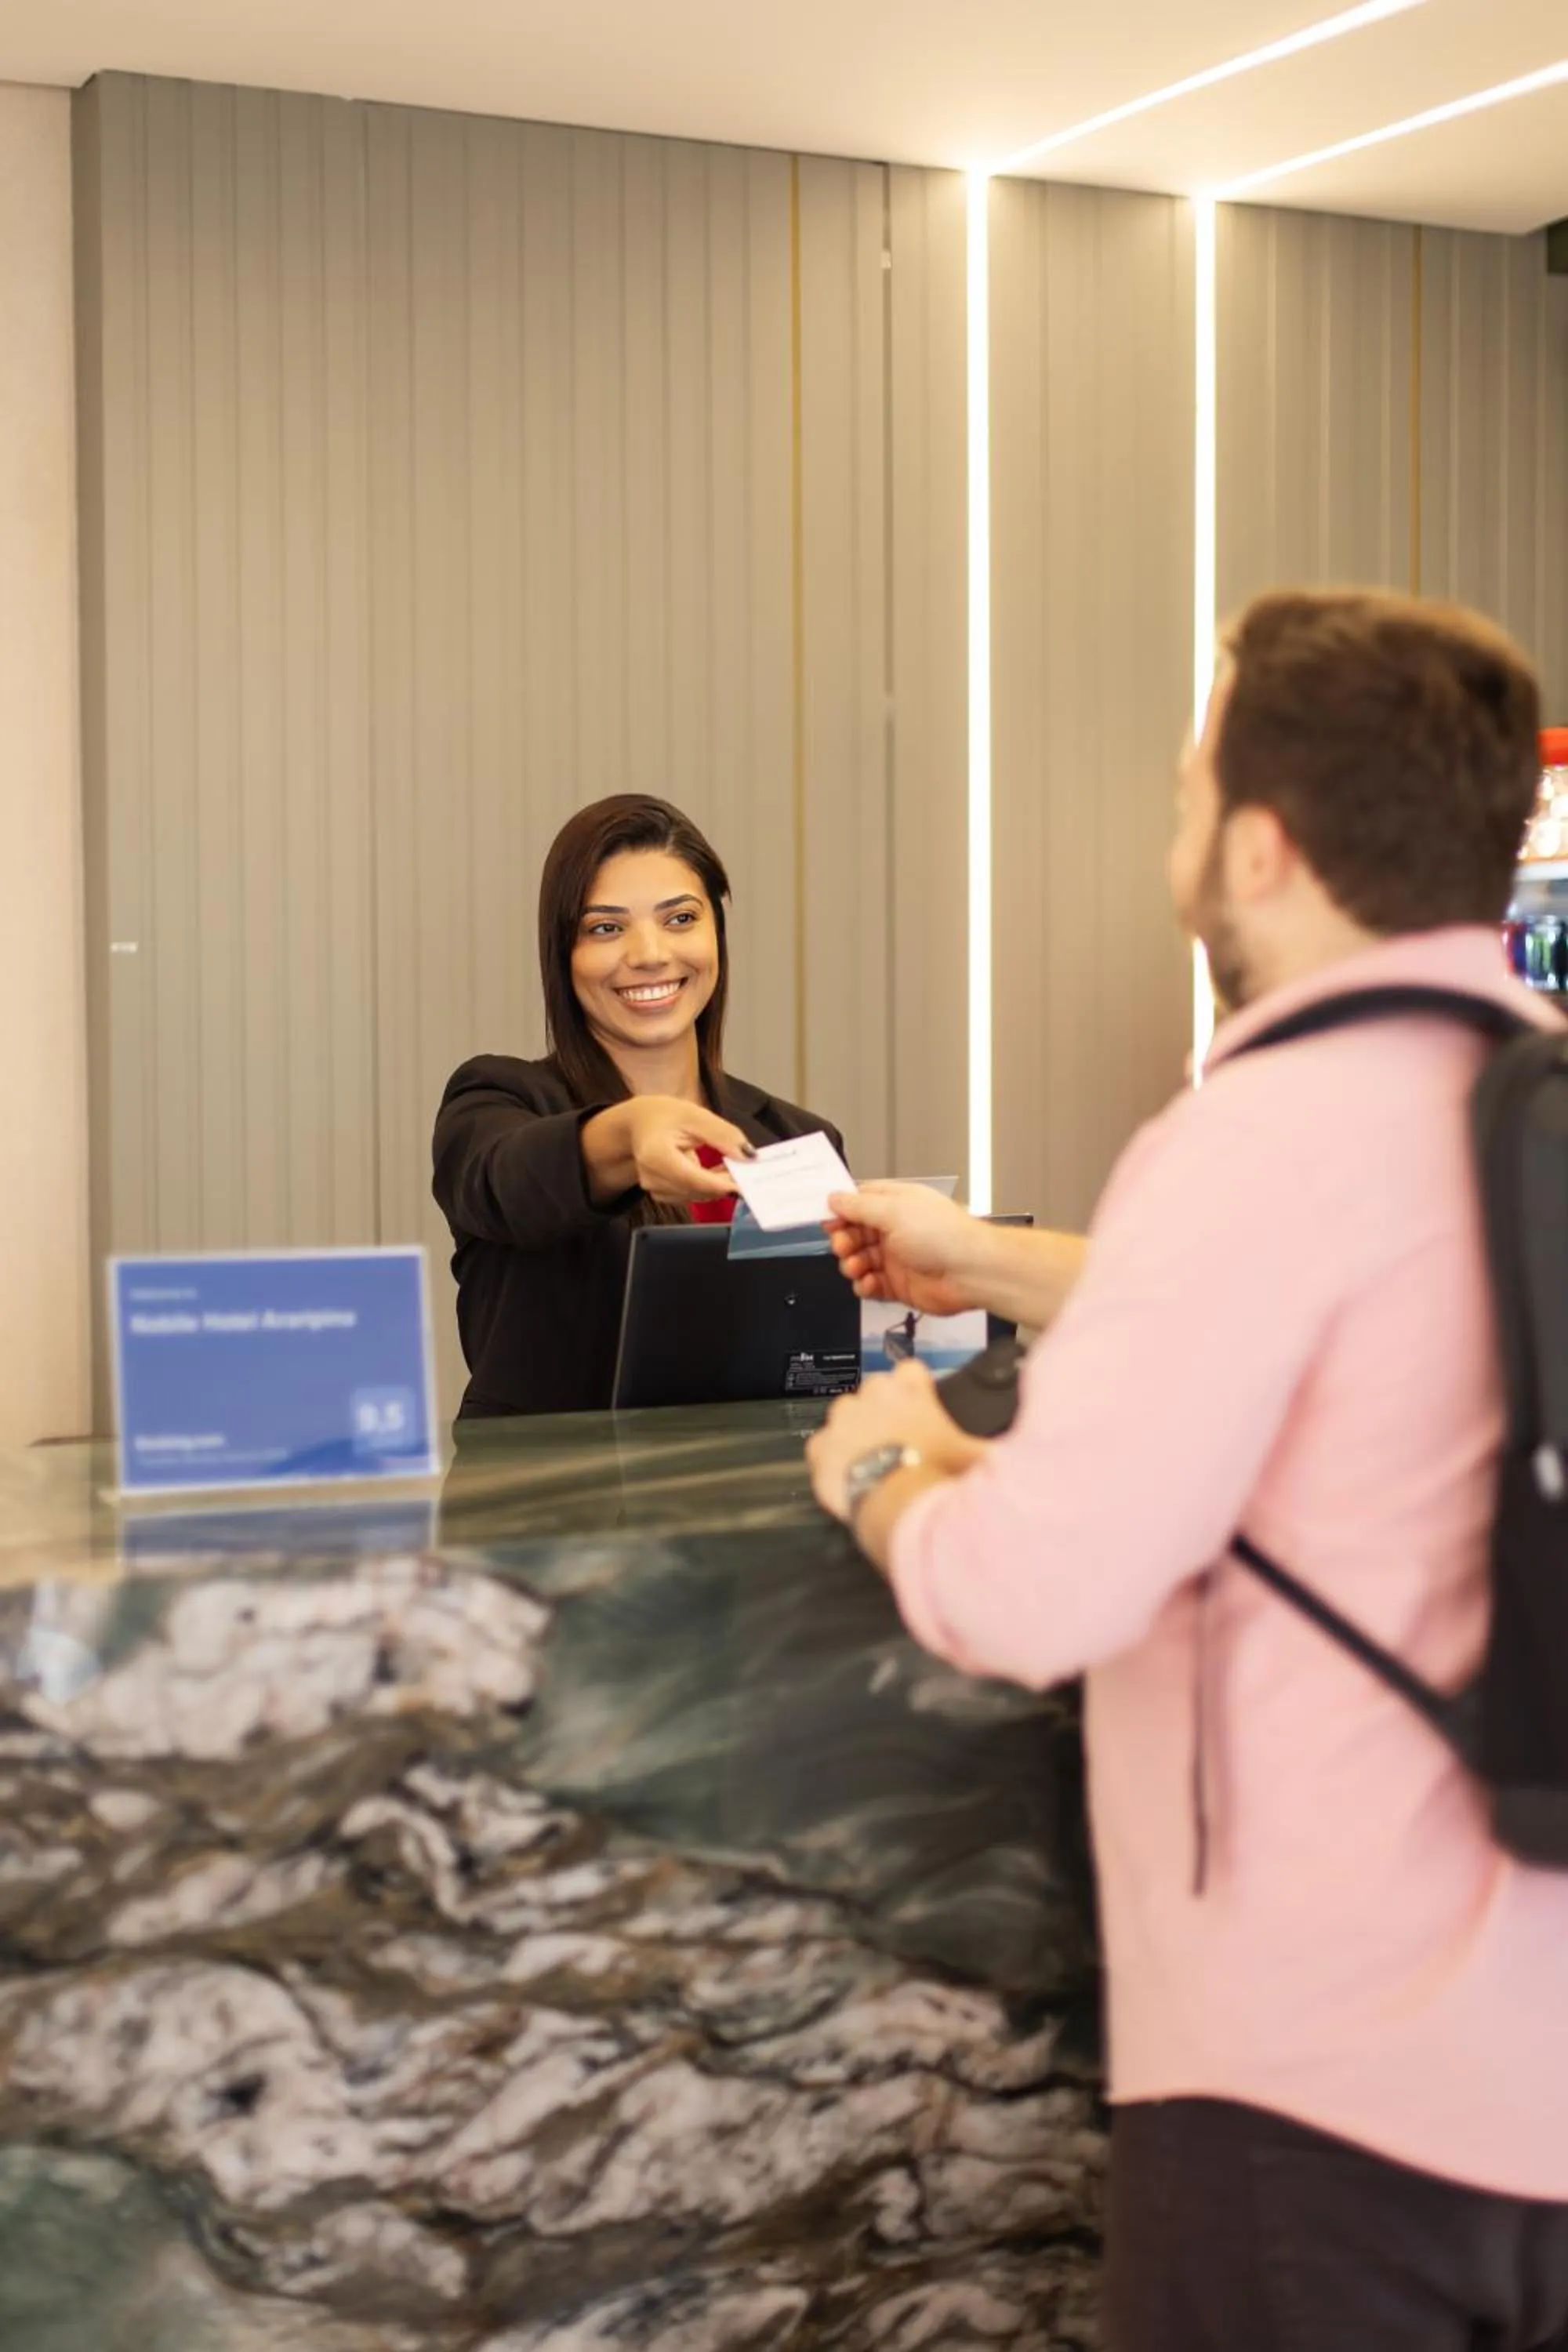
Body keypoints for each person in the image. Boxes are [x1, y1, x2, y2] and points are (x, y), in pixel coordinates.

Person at [807, 590, 1568, 2350]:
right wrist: (994, 1260)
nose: (1173, 837)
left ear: (1263, 845)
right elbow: (1371, 1353)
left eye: (1182, 795)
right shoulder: (1520, 1114)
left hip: (1314, 2094)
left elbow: (1030, 1588)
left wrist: (892, 1471)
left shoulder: (1257, 1135)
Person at [434, 794, 844, 1417]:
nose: (650, 953)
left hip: (754, 1501)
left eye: (680, 919)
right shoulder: (498, 1101)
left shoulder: (796, 1137)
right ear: (563, 954)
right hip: (555, 1507)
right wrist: (629, 1133)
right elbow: (505, 1180)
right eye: (606, 927)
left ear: (717, 934)